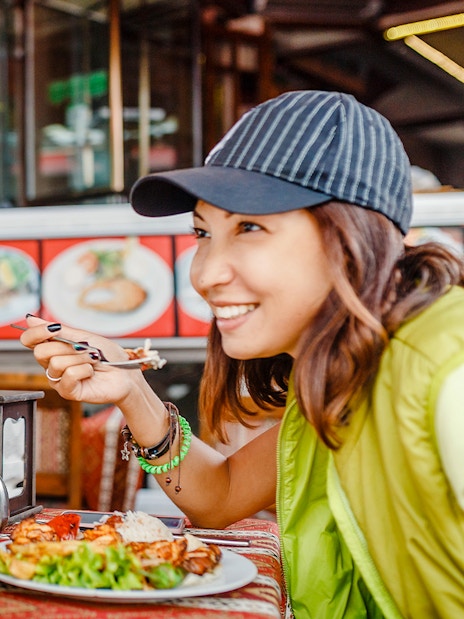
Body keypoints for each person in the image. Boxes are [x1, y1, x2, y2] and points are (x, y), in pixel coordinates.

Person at [19, 90, 464, 618]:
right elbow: (221, 495)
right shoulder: (345, 378)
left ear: (351, 236)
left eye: (250, 227)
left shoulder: (444, 366)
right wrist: (132, 389)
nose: (205, 274)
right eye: (204, 232)